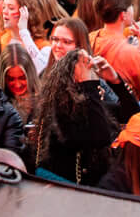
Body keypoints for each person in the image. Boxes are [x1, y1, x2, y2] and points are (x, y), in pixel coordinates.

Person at [30, 51, 119, 186]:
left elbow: (132, 113)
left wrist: (115, 81)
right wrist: (90, 86)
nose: (90, 66)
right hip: (66, 191)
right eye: (84, 63)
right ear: (72, 77)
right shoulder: (59, 110)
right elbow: (101, 137)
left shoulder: (94, 105)